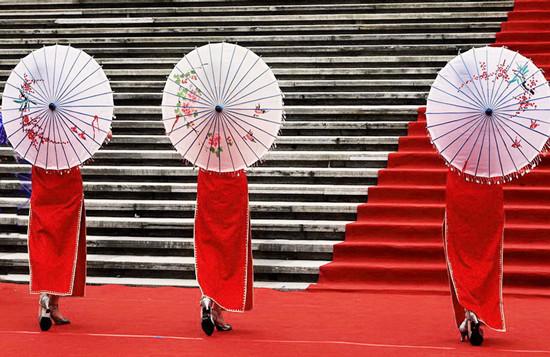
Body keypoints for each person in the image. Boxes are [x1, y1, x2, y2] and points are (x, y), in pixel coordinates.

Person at [30, 130, 112, 331]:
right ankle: (53, 301)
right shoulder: (70, 118)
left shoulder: (34, 123)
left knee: (43, 239)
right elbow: (84, 137)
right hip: (66, 179)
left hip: (43, 178)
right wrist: (101, 134)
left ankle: (47, 297)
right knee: (64, 242)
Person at [443, 169, 506, 346]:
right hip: (489, 188)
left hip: (460, 186)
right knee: (485, 254)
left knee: (460, 253)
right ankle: (476, 310)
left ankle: (468, 308)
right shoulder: (496, 150)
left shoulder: (456, 145)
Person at [193, 169, 253, 336]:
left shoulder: (201, 144)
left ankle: (207, 297)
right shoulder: (240, 145)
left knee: (208, 245)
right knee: (231, 248)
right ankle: (217, 309)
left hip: (208, 182)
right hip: (233, 183)